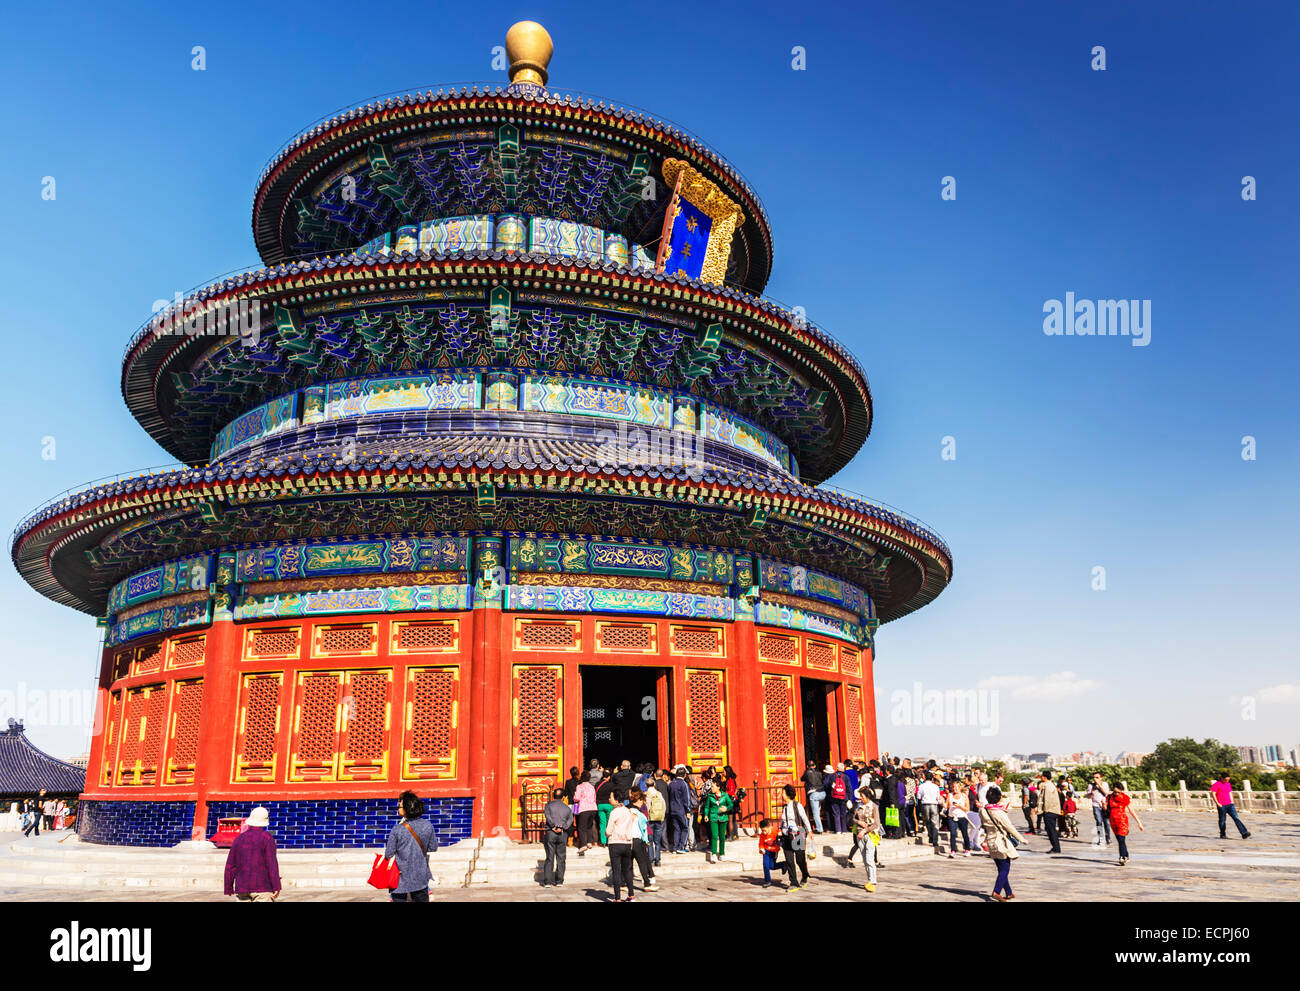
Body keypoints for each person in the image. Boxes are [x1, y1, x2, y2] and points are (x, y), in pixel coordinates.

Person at [382, 791, 438, 902]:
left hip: (400, 876)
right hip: (420, 874)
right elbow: (433, 847)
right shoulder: (428, 825)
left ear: (407, 808)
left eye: (400, 806)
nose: (398, 808)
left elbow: (388, 854)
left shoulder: (397, 829)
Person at [224, 806, 282, 902]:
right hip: (262, 887)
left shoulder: (239, 838)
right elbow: (271, 864)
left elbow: (231, 865)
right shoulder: (267, 838)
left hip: (242, 886)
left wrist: (228, 886)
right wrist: (276, 885)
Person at [981, 786, 1027, 902]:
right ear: (999, 798)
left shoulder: (983, 810)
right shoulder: (999, 812)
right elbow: (1009, 827)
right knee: (1005, 868)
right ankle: (996, 891)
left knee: (1001, 868)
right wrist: (1022, 839)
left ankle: (1009, 892)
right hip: (1000, 842)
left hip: (991, 841)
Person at [605, 790, 639, 902]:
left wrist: (606, 833)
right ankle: (631, 895)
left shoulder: (614, 812)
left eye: (611, 797)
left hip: (615, 843)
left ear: (616, 799)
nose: (609, 799)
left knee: (616, 870)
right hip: (627, 843)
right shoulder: (628, 811)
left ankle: (617, 898)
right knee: (627, 870)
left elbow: (609, 830)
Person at [779, 783, 813, 890]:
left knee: (799, 859)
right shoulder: (784, 807)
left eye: (783, 792)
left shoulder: (797, 805)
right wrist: (781, 829)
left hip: (798, 834)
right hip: (786, 836)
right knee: (789, 860)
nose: (782, 794)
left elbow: (805, 819)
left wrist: (810, 831)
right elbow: (783, 821)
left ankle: (805, 874)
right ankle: (793, 882)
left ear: (788, 794)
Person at [850, 786, 882, 892]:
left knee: (869, 858)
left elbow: (876, 823)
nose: (861, 798)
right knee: (864, 858)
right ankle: (869, 879)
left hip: (870, 835)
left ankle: (873, 881)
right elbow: (853, 818)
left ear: (868, 796)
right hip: (859, 835)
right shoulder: (859, 807)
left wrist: (865, 830)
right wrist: (859, 822)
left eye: (862, 796)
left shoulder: (874, 807)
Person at [627, 789, 660, 891]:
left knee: (628, 864)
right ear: (639, 800)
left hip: (628, 840)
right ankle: (647, 884)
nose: (643, 803)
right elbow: (643, 828)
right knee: (642, 863)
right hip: (637, 839)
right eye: (642, 801)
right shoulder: (637, 812)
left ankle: (625, 884)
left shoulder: (627, 809)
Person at [542, 787, 573, 886]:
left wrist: (553, 826)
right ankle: (559, 881)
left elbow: (548, 816)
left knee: (549, 857)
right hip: (562, 834)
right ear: (563, 797)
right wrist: (563, 827)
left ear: (553, 795)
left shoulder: (548, 806)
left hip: (551, 832)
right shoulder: (567, 808)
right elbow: (570, 820)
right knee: (561, 857)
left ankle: (547, 881)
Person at [1107, 782, 1143, 865]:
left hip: (1122, 821)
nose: (1116, 794)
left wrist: (1139, 822)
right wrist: (1103, 804)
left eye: (1118, 792)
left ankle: (1122, 857)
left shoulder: (1125, 798)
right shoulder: (1109, 797)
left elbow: (1131, 810)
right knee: (1119, 840)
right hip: (1113, 821)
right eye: (1115, 792)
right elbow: (1106, 808)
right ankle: (1126, 855)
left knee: (1121, 839)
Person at [1210, 773, 1250, 840]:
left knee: (1236, 818)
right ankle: (1222, 834)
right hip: (1221, 805)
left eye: (1228, 779)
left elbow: (1230, 792)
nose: (1227, 781)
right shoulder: (1217, 784)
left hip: (1230, 804)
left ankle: (1244, 833)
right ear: (1222, 778)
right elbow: (1213, 794)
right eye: (1225, 780)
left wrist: (1232, 801)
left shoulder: (1228, 784)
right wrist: (1217, 803)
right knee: (1222, 820)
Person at [703, 780, 734, 863]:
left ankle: (722, 853)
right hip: (713, 817)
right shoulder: (710, 796)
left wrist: (726, 808)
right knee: (714, 835)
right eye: (711, 786)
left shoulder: (725, 795)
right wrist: (706, 815)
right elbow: (707, 807)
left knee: (722, 837)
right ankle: (713, 854)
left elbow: (731, 804)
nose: (711, 788)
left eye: (713, 786)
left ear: (718, 787)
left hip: (723, 818)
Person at [668, 768, 694, 853]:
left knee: (677, 829)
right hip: (681, 810)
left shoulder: (671, 784)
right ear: (685, 775)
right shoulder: (684, 784)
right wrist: (688, 811)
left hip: (673, 809)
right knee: (685, 828)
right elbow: (686, 799)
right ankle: (681, 847)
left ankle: (675, 848)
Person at [917, 770, 943, 852]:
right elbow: (938, 797)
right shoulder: (935, 786)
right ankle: (935, 840)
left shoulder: (922, 786)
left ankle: (930, 836)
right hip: (934, 804)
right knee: (935, 823)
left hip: (925, 804)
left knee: (927, 821)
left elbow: (919, 796)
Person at [947, 776, 973, 856]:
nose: (954, 789)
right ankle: (953, 850)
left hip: (962, 817)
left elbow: (967, 809)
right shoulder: (950, 795)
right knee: (953, 833)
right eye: (953, 787)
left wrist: (959, 806)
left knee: (964, 833)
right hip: (952, 816)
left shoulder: (964, 796)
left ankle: (967, 849)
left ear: (959, 787)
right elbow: (946, 805)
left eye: (956, 787)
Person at [1037, 770, 1062, 853]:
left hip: (1050, 811)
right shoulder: (1050, 785)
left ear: (1044, 777)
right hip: (1052, 811)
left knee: (1051, 830)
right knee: (1050, 829)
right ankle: (1055, 847)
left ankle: (1056, 848)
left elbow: (1047, 799)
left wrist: (1045, 810)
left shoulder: (1048, 786)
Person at [644, 776, 667, 865]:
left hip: (650, 820)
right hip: (658, 819)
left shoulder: (646, 794)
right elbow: (663, 805)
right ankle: (658, 859)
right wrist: (662, 816)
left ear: (646, 785)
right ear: (654, 784)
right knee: (657, 841)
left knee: (650, 841)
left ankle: (651, 859)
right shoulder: (659, 793)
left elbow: (647, 807)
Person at [574, 772, 599, 855]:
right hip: (593, 808)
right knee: (589, 826)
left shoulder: (580, 786)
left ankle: (584, 844)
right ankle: (589, 842)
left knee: (582, 827)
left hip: (584, 808)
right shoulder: (592, 787)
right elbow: (595, 797)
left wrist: (575, 797)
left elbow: (577, 798)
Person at [1086, 772, 1111, 847]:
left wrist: (1099, 785)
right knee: (1099, 822)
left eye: (1097, 777)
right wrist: (1092, 792)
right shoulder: (1091, 785)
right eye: (1094, 777)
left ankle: (1108, 838)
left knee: (1107, 823)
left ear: (1101, 778)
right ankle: (1101, 839)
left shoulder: (1105, 784)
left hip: (1104, 805)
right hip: (1096, 806)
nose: (1095, 779)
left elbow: (1106, 793)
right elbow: (1088, 796)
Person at [801, 760, 826, 833]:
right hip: (822, 793)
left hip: (814, 794)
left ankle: (819, 829)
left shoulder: (807, 772)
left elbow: (802, 779)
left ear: (807, 766)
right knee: (818, 810)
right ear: (815, 766)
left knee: (816, 813)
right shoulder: (819, 773)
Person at [758, 818, 784, 887]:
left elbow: (781, 833)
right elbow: (761, 844)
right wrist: (761, 849)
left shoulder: (775, 832)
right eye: (762, 830)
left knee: (772, 866)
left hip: (774, 851)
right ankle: (767, 881)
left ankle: (784, 864)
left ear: (769, 827)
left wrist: (780, 833)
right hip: (766, 851)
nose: (764, 832)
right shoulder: (762, 835)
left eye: (765, 831)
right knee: (765, 865)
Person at [824, 763, 848, 833]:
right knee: (843, 814)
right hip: (844, 797)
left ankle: (838, 830)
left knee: (836, 813)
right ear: (843, 769)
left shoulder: (832, 776)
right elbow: (849, 788)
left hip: (834, 797)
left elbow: (826, 784)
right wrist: (848, 798)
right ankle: (844, 830)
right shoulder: (846, 777)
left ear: (837, 768)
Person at [595, 769, 615, 845]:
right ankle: (609, 840)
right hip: (608, 805)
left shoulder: (597, 784)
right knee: (609, 823)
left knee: (602, 823)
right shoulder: (611, 785)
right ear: (609, 777)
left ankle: (603, 841)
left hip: (599, 805)